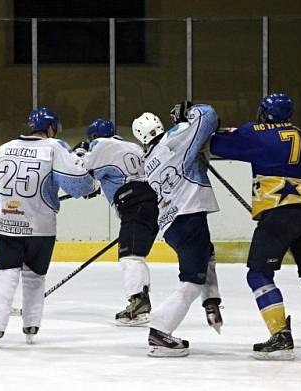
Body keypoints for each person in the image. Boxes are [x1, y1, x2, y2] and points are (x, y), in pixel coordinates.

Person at [210, 93, 301, 362]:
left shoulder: (255, 131)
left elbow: (217, 145)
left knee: (259, 275)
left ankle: (280, 336)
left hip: (278, 213)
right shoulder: (300, 134)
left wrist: (223, 130)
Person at [0, 107, 96, 348]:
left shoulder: (3, 150)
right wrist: (87, 176)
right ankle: (31, 327)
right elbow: (78, 185)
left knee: (6, 275)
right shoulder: (54, 148)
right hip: (41, 228)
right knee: (34, 277)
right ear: (51, 128)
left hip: (7, 227)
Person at [132, 104, 222, 358]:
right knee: (191, 282)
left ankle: (212, 300)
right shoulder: (174, 140)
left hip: (172, 225)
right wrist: (190, 111)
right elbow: (208, 117)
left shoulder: (148, 161)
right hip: (189, 216)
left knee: (207, 255)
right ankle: (159, 331)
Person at [76, 118, 159, 326]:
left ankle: (138, 305)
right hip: (152, 204)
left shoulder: (100, 145)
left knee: (130, 257)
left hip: (133, 204)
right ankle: (141, 302)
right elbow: (117, 173)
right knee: (136, 256)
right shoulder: (134, 146)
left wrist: (80, 154)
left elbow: (81, 172)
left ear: (94, 136)